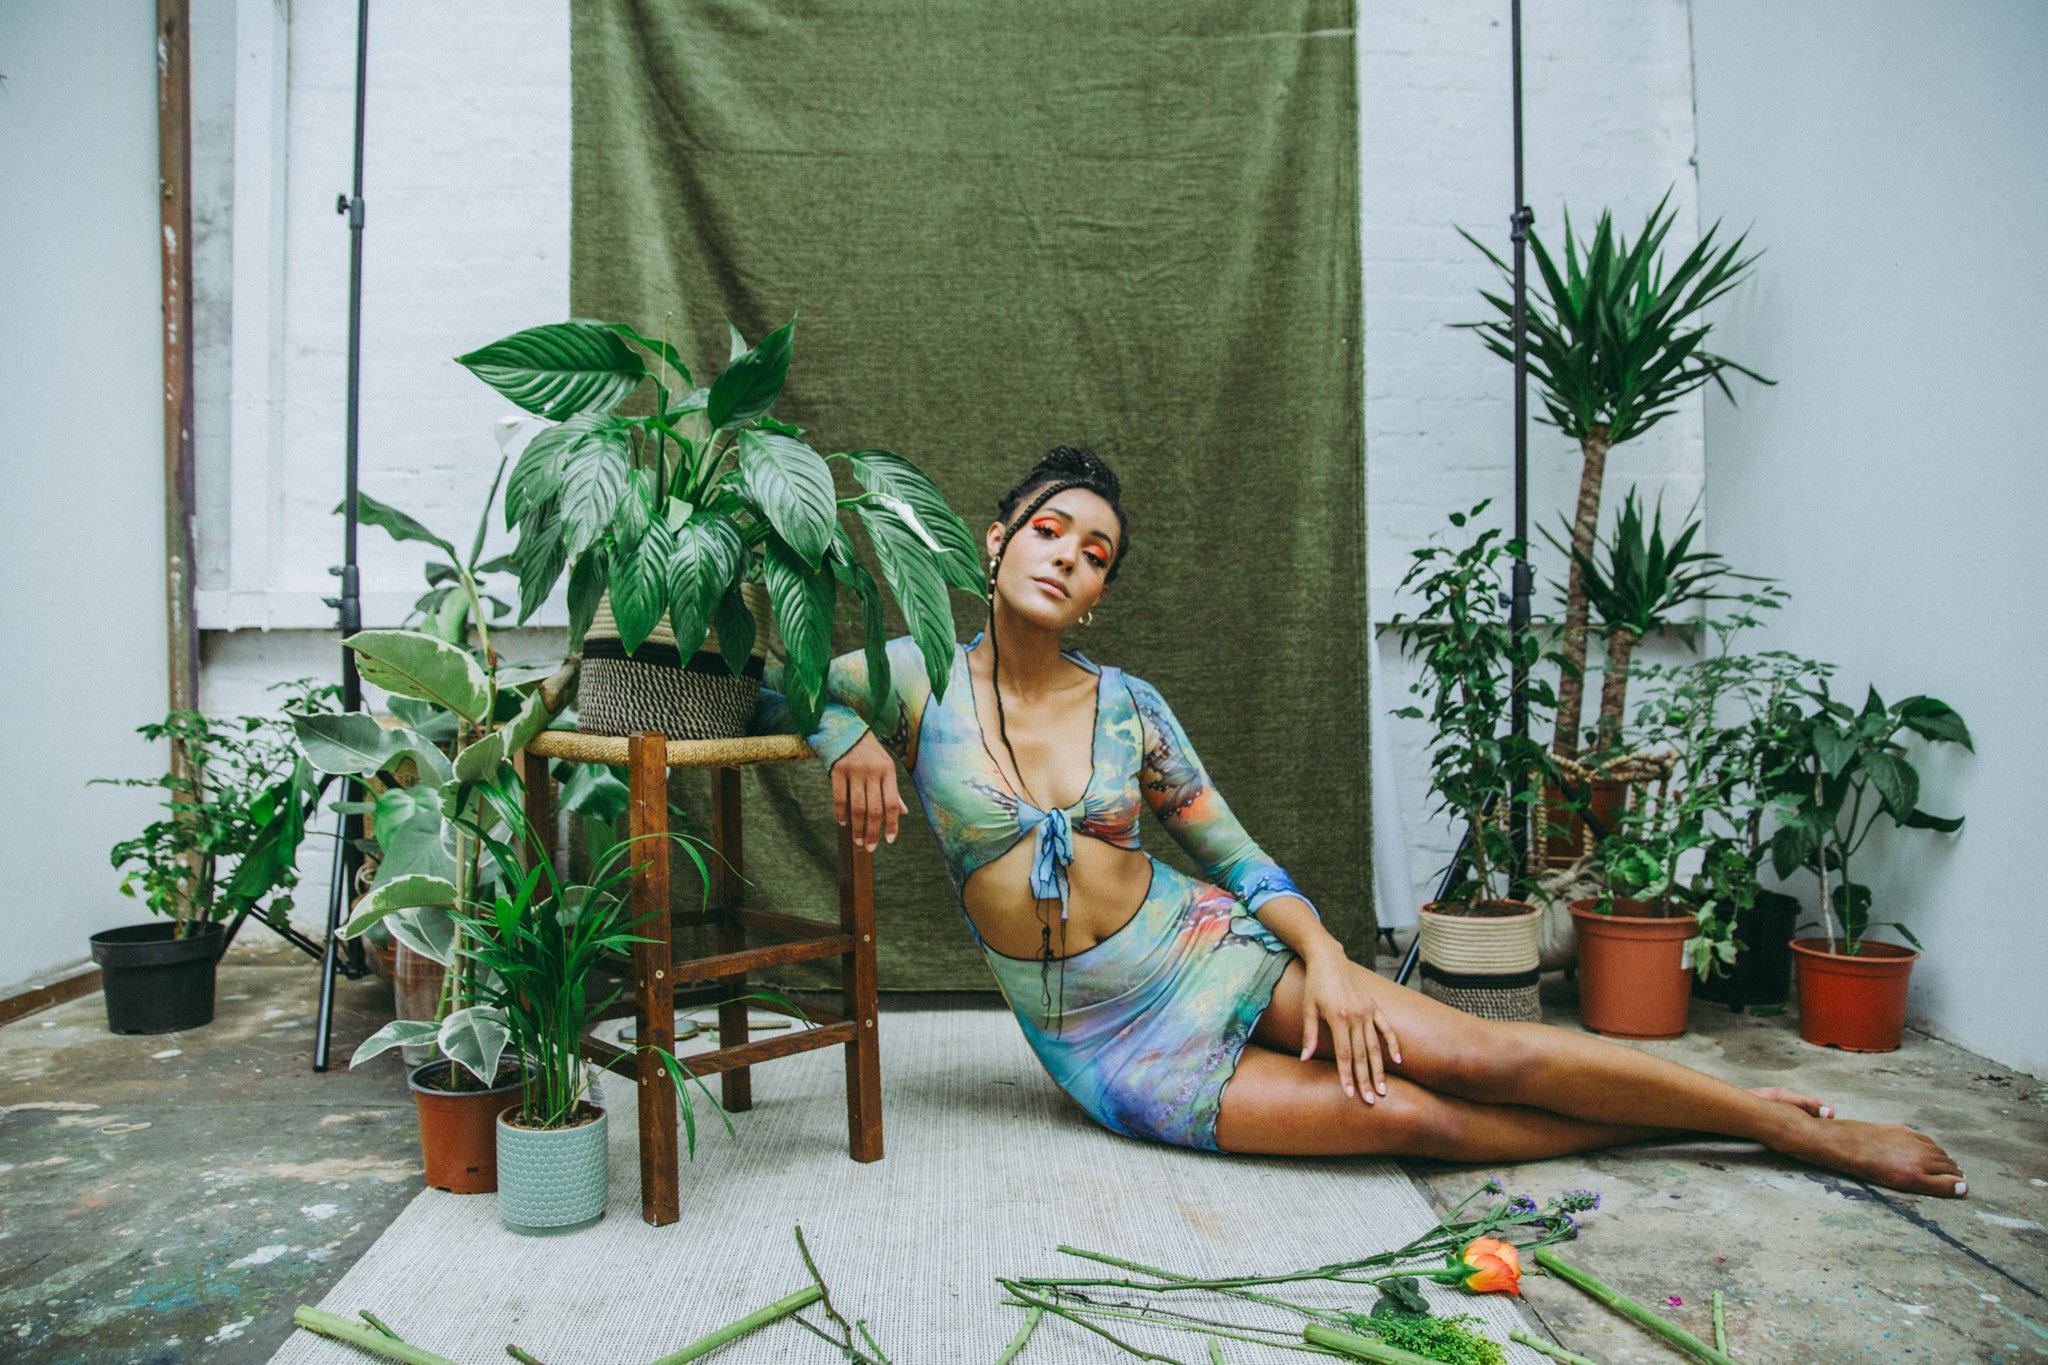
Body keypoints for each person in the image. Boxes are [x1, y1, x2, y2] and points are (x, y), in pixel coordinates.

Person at [768, 445, 1966, 1199]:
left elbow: (1231, 855)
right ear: (993, 541)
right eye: (1047, 533)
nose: (1066, 562)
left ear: (1097, 595)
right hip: (1104, 1042)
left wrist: (1328, 961)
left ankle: (1782, 1127)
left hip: (1203, 949)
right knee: (1412, 1119)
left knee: (1481, 1052)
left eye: (1094, 556)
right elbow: (775, 683)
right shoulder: (914, 675)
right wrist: (848, 739)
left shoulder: (1130, 708)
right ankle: (1654, 1132)